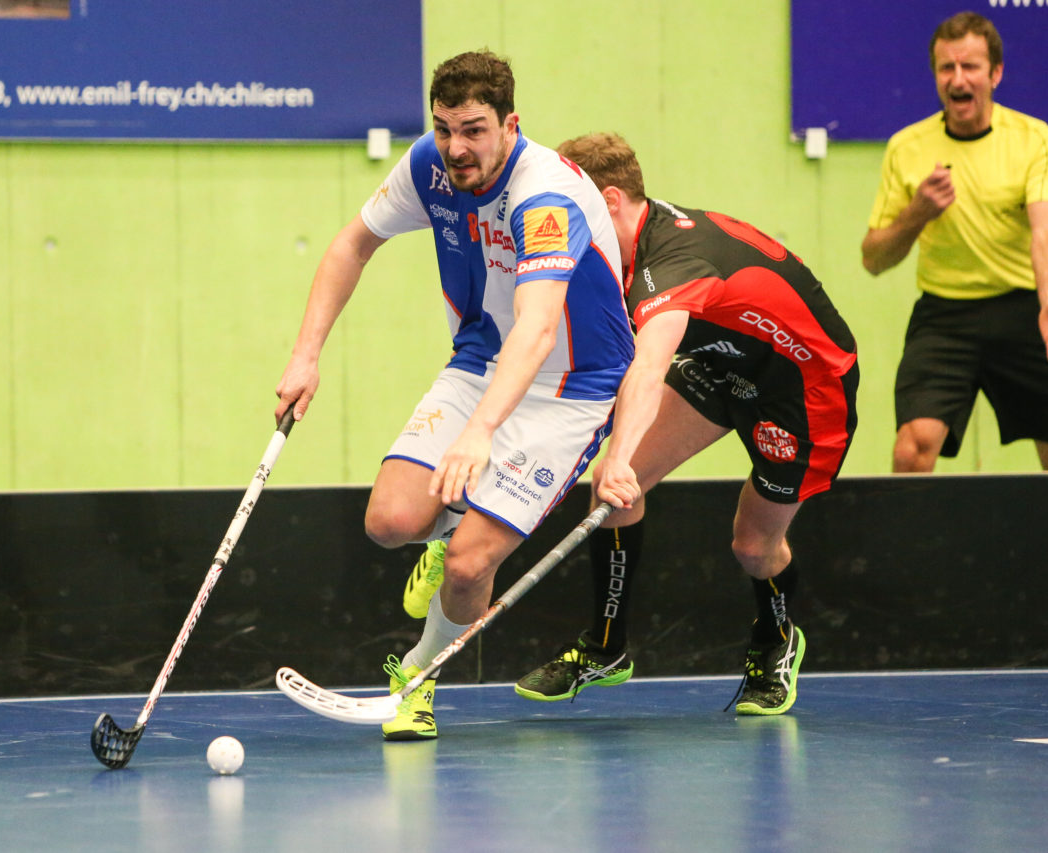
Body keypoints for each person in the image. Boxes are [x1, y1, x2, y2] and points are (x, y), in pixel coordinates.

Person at [275, 51, 634, 742]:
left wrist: (480, 433)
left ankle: (415, 675)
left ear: (510, 124)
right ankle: (446, 525)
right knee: (388, 520)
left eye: (473, 129)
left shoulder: (546, 195)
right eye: (444, 128)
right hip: (480, 358)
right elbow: (353, 243)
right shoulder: (428, 167)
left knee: (471, 564)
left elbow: (536, 330)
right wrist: (305, 354)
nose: (455, 147)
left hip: (571, 388)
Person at [508, 132, 860, 715]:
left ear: (611, 201)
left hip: (803, 387)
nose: (569, 226)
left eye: (578, 209)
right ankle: (605, 650)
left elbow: (648, 368)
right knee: (614, 490)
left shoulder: (670, 263)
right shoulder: (631, 247)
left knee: (752, 545)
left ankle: (775, 642)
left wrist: (620, 453)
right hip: (725, 361)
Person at [860, 11, 1048, 473]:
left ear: (995, 74)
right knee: (912, 450)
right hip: (945, 316)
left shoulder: (1034, 139)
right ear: (936, 76)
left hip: (1027, 310)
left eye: (970, 67)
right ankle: (915, 546)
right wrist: (917, 213)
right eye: (947, 68)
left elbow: (1047, 229)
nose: (958, 79)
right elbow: (874, 259)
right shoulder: (907, 148)